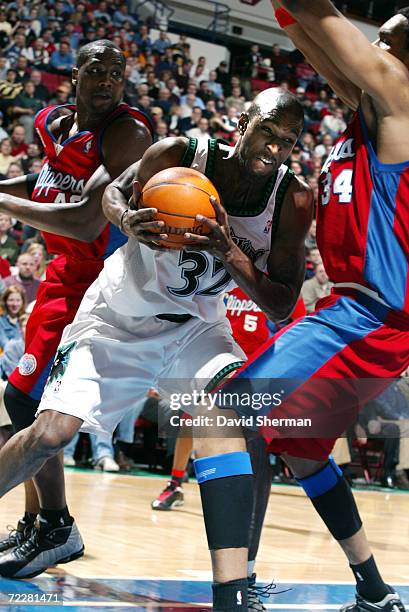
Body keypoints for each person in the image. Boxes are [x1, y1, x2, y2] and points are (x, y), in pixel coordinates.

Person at [0, 87, 313, 610]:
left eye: (289, 141)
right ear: (241, 120)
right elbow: (110, 195)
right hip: (118, 316)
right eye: (268, 132)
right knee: (48, 434)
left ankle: (238, 585)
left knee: (239, 419)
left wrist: (228, 250)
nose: (275, 149)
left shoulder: (292, 199)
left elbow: (281, 304)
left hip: (197, 327)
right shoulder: (179, 154)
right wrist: (126, 220)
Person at [217, 2, 409, 610]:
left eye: (387, 40)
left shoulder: (401, 99)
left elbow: (317, 12)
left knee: (225, 411)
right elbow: (308, 34)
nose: (372, 47)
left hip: (370, 317)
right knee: (301, 452)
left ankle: (232, 591)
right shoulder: (370, 108)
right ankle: (375, 590)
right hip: (356, 312)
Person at [0, 39, 153, 577]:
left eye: (118, 70)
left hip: (99, 284)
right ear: (75, 73)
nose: (108, 78)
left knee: (25, 404)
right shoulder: (54, 124)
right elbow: (45, 184)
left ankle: (56, 525)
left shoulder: (128, 134)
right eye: (98, 68)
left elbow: (90, 220)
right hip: (60, 277)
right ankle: (40, 523)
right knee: (22, 403)